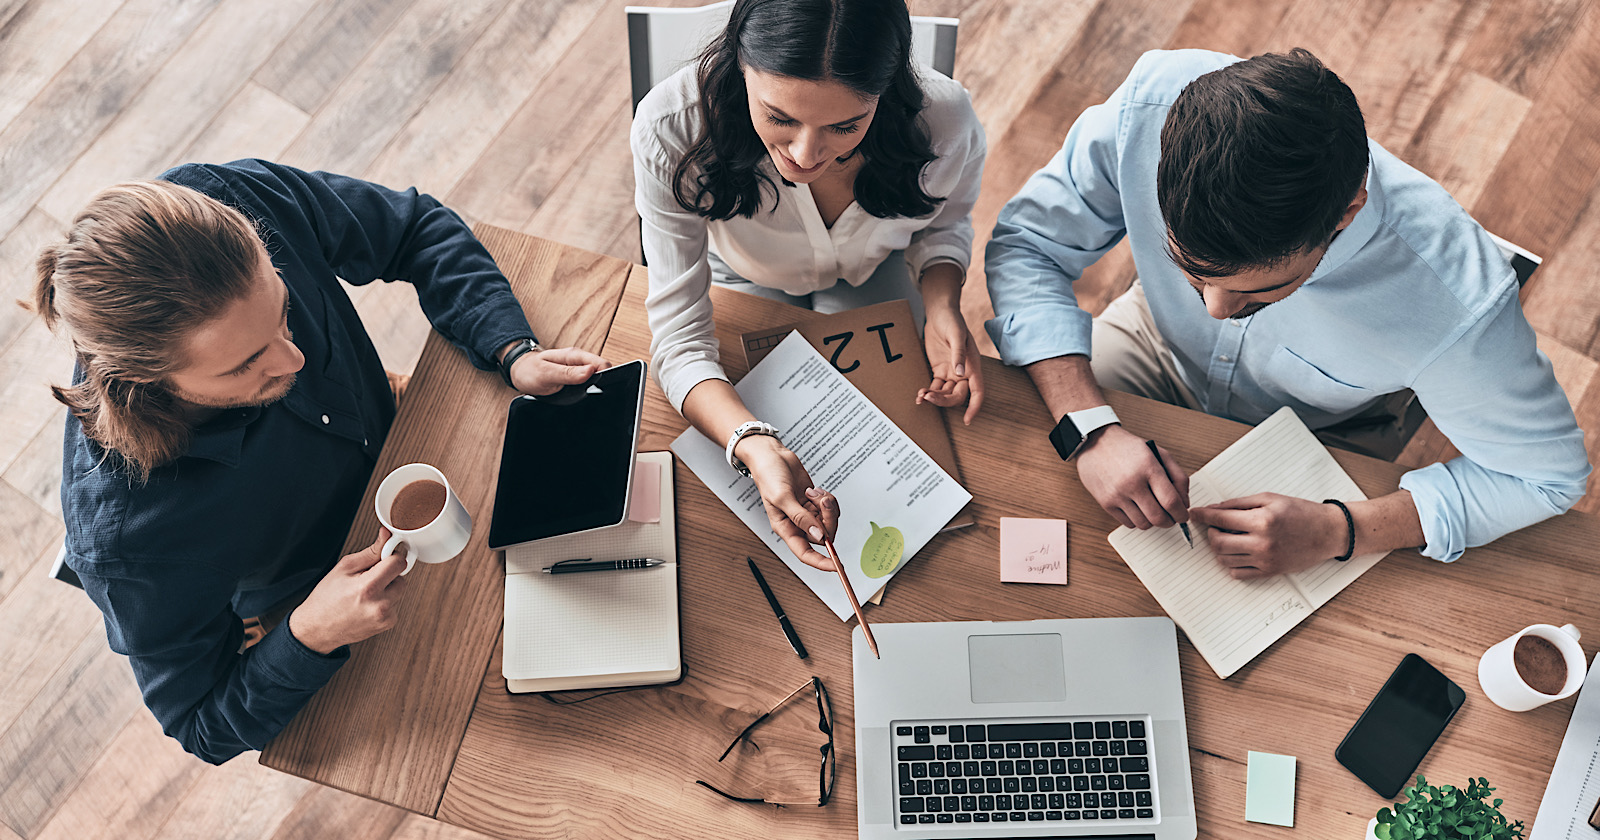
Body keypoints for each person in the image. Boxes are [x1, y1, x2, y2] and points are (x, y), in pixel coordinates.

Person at [32, 159, 606, 764]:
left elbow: (413, 228)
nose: (294, 359)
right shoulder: (130, 545)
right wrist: (308, 635)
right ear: (146, 379)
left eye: (282, 308)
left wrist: (510, 346)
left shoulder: (228, 199)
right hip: (322, 594)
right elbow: (201, 726)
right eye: (244, 364)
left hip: (406, 435)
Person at [985, 48, 1590, 579]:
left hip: (1314, 430)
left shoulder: (1454, 304)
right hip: (1152, 344)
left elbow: (1548, 478)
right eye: (1191, 272)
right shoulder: (1148, 110)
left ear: (1348, 211)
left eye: (1263, 291)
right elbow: (1029, 243)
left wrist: (1341, 531)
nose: (1216, 311)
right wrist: (1084, 424)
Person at [631, 0, 987, 570]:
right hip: (742, 277)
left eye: (845, 126)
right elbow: (678, 339)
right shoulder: (670, 129)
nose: (804, 155)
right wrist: (749, 442)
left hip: (878, 272)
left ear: (887, 89)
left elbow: (944, 224)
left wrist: (943, 301)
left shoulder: (945, 120)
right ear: (739, 64)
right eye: (779, 117)